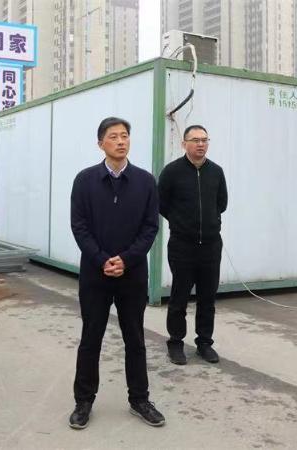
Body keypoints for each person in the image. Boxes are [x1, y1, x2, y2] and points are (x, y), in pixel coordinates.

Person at [68, 117, 164, 429]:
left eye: (125, 136)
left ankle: (140, 399)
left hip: (132, 275)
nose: (121, 141)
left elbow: (150, 227)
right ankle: (83, 401)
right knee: (90, 338)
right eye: (113, 136)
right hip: (95, 275)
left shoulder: (145, 181)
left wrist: (126, 259)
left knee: (135, 338)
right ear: (101, 144)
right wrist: (101, 260)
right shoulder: (85, 180)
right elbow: (79, 226)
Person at [158, 124, 228, 365]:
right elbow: (161, 203)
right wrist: (180, 222)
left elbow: (222, 203)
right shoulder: (172, 172)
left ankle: (204, 343)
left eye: (204, 140)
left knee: (207, 298)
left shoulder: (216, 172)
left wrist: (210, 223)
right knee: (179, 297)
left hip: (210, 246)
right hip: (182, 246)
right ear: (184, 144)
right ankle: (176, 343)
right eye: (195, 140)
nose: (200, 144)